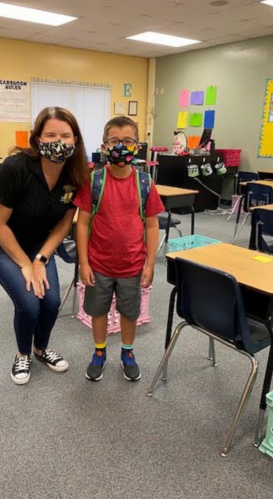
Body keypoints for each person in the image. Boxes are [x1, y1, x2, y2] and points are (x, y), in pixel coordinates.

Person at [0, 107, 88, 385]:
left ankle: (41, 349)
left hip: (36, 243)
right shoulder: (16, 168)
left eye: (65, 136)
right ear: (37, 139)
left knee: (50, 301)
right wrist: (25, 265)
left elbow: (64, 223)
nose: (59, 142)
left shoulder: (75, 175)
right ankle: (23, 354)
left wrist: (40, 259)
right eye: (50, 135)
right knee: (28, 304)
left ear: (75, 140)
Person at [74, 116, 164, 382]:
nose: (122, 147)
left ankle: (127, 352)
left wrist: (150, 264)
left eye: (128, 141)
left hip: (132, 265)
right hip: (98, 264)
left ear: (138, 146)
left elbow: (151, 225)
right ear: (104, 146)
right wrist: (84, 263)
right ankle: (99, 352)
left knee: (129, 312)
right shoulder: (94, 181)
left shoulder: (145, 183)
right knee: (98, 311)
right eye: (115, 141)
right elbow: (82, 224)